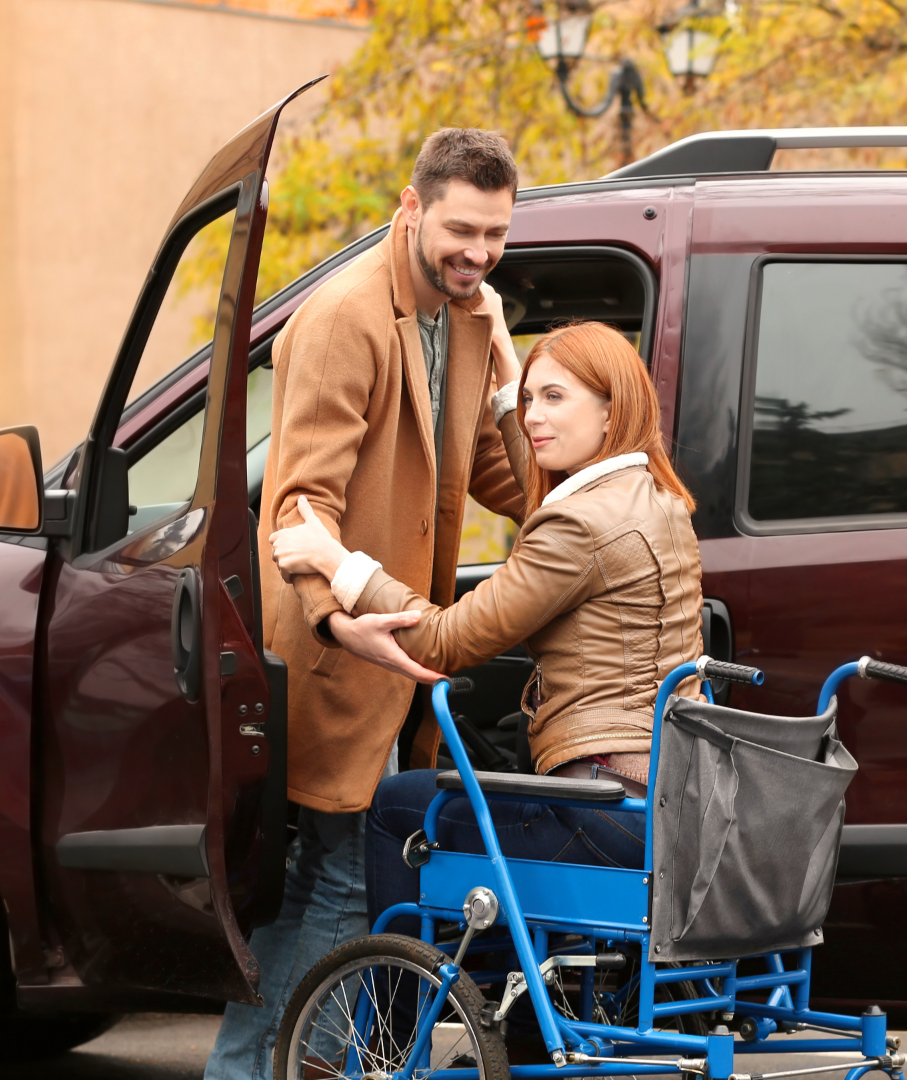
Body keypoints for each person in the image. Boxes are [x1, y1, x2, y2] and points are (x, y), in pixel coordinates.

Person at [205, 128, 528, 1080]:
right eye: (463, 230)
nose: (479, 253)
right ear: (412, 206)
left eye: (498, 235)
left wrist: (511, 372)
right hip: (344, 649)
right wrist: (341, 615)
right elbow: (302, 502)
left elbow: (518, 487)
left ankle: (253, 1068)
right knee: (348, 878)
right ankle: (285, 1070)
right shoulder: (346, 314)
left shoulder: (469, 319)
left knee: (333, 877)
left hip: (402, 653)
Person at [268, 320, 706, 935]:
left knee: (401, 805)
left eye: (555, 398)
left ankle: (393, 1024)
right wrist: (505, 361)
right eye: (530, 399)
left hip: (602, 810)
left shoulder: (578, 529)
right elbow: (549, 500)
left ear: (612, 413)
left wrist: (335, 561)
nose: (533, 416)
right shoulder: (652, 498)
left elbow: (443, 640)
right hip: (669, 802)